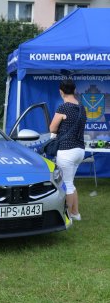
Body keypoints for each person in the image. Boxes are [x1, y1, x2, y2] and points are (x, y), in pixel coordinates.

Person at [49, 79, 87, 221]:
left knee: (67, 184)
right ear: (75, 90)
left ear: (61, 91)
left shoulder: (63, 108)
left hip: (67, 150)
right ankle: (76, 213)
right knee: (71, 182)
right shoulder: (82, 107)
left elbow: (52, 128)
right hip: (79, 150)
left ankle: (67, 216)